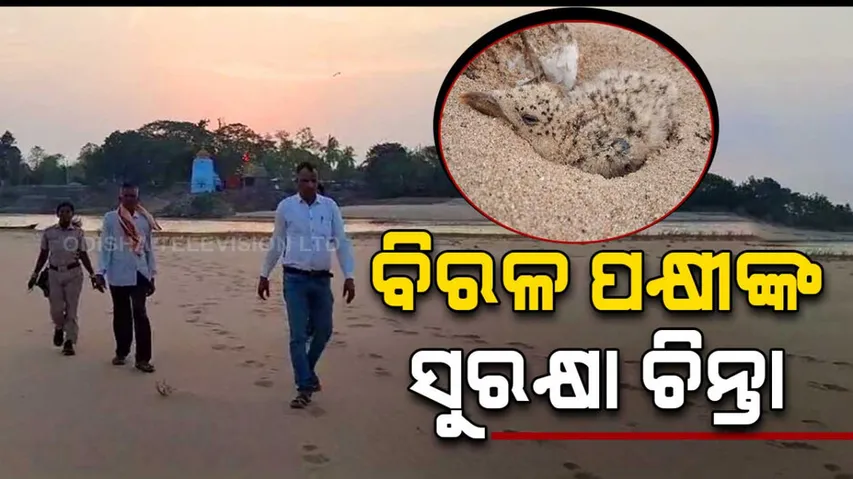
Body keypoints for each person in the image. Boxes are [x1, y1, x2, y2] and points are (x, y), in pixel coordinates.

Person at [258, 162, 356, 409]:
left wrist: (349, 275)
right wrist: (264, 274)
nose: (310, 185)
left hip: (322, 280)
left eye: (313, 180)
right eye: (305, 180)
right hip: (295, 279)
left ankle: (307, 373)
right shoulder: (286, 207)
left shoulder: (330, 207)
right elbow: (277, 242)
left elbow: (341, 242)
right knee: (298, 336)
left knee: (324, 331)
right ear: (297, 182)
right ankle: (304, 387)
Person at [93, 183, 161, 373]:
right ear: (120, 198)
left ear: (138, 199)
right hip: (118, 273)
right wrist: (100, 272)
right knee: (121, 314)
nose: (129, 199)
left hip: (140, 273)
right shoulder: (111, 218)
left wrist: (152, 274)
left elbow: (148, 249)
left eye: (133, 196)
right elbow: (106, 246)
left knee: (140, 313)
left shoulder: (145, 220)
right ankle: (122, 351)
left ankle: (143, 359)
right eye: (126, 196)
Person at [28, 202, 100, 355]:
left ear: (72, 214)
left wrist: (92, 274)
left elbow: (83, 254)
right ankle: (59, 327)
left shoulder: (78, 233)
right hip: (54, 274)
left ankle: (69, 342)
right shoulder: (49, 233)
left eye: (68, 211)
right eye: (62, 211)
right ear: (57, 214)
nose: (65, 214)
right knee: (56, 310)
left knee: (71, 309)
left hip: (74, 273)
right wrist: (35, 274)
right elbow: (43, 255)